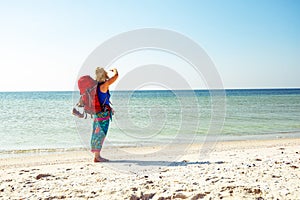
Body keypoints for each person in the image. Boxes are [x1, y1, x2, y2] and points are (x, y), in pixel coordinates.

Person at [91, 67, 118, 162]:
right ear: (104, 75)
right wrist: (115, 70)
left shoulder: (96, 86)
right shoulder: (104, 85)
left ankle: (97, 155)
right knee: (101, 134)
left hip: (98, 113)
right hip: (103, 114)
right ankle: (97, 157)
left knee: (97, 133)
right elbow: (116, 76)